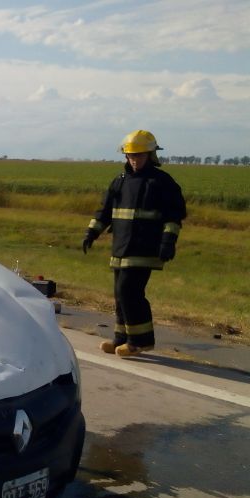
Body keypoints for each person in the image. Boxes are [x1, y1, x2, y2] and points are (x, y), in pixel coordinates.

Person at [82, 130, 186, 357]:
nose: (134, 160)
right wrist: (92, 232)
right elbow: (105, 211)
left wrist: (168, 241)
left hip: (145, 248)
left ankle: (140, 341)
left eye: (139, 155)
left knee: (129, 291)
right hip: (121, 248)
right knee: (119, 294)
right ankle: (121, 338)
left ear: (150, 155)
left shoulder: (162, 182)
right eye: (130, 155)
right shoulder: (119, 181)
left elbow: (174, 217)